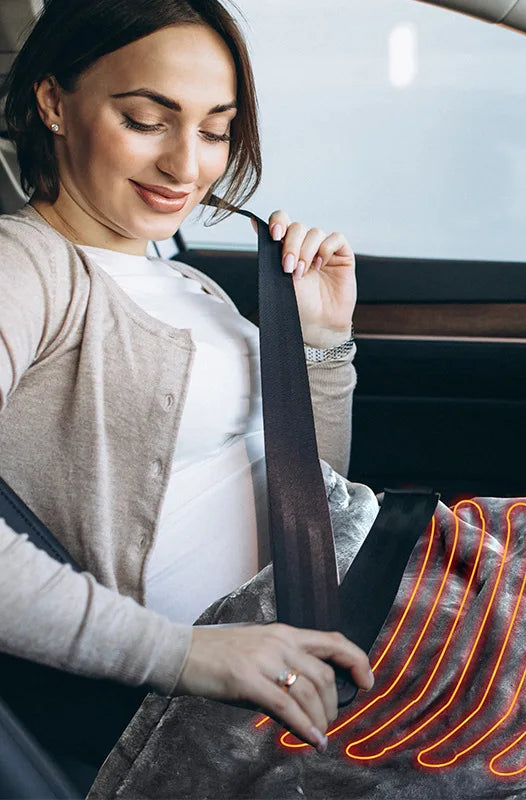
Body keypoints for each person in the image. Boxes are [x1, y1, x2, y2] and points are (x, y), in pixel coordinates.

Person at [0, 0, 375, 772]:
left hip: (327, 641)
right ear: (52, 103)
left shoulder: (188, 284)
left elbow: (312, 496)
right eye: (145, 119)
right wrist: (190, 656)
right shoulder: (27, 267)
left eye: (213, 130)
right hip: (198, 721)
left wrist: (322, 346)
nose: (187, 166)